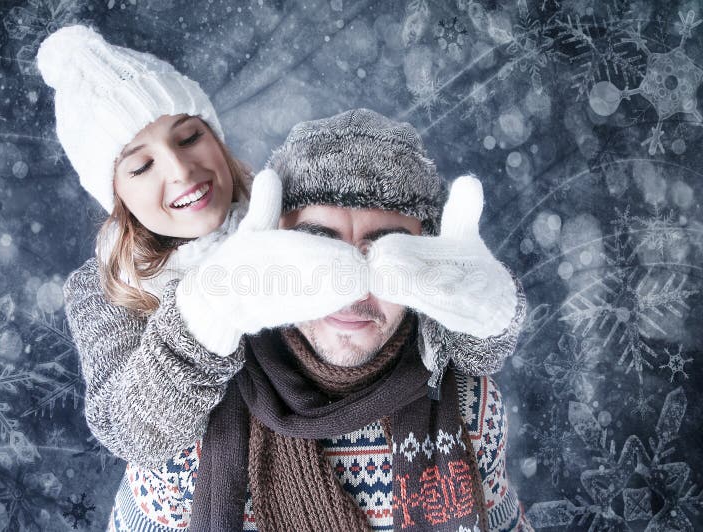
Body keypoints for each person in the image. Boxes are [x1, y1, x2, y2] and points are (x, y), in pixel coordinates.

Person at [41, 25, 527, 532]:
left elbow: (468, 343)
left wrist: (493, 311)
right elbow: (131, 430)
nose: (182, 173)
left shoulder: (282, 196)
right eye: (140, 166)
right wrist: (212, 309)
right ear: (113, 194)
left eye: (190, 137)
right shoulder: (110, 292)